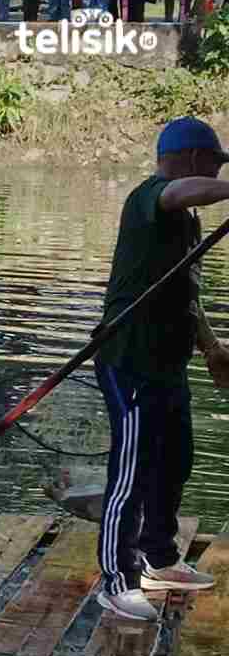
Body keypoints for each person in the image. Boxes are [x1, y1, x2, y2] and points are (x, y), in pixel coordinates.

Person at [92, 116, 229, 621]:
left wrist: (213, 349)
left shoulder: (188, 225)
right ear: (194, 159)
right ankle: (117, 578)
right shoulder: (149, 198)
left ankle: (160, 558)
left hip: (168, 364)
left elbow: (186, 296)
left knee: (176, 459)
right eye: (215, 164)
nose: (216, 174)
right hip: (129, 361)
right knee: (130, 471)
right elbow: (179, 191)